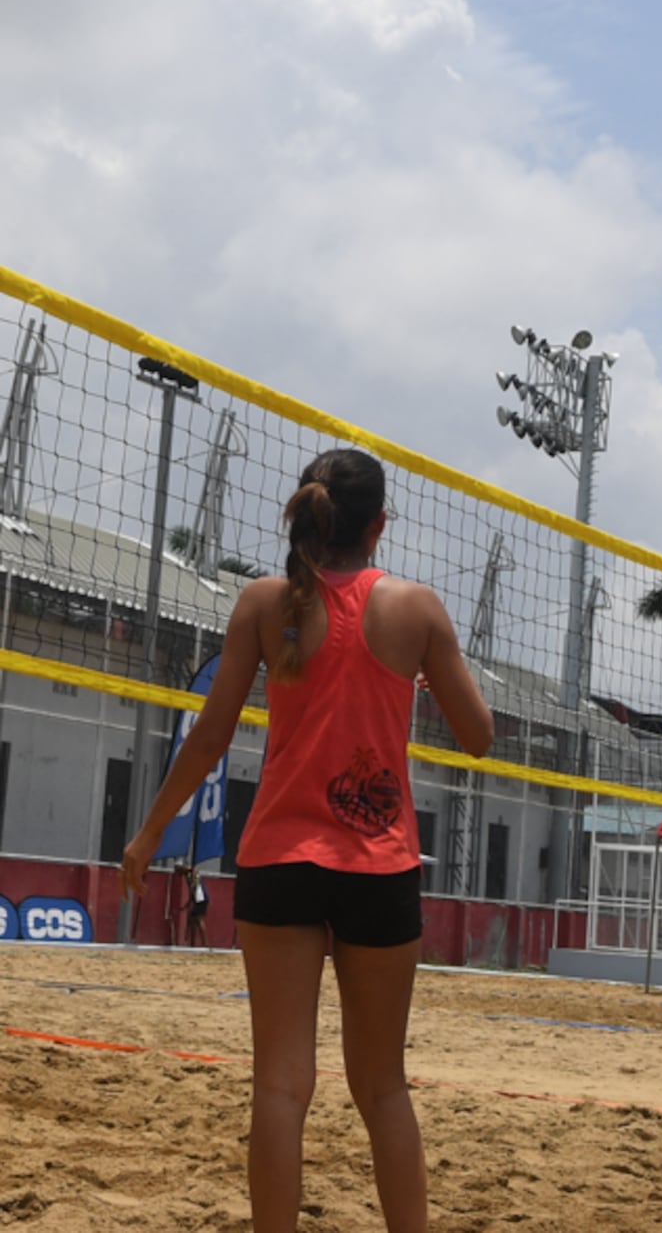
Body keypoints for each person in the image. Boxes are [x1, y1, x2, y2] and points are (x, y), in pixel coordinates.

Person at [121, 448, 494, 1233]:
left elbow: (208, 736)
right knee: (383, 1089)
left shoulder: (264, 602)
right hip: (378, 862)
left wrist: (150, 832)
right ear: (379, 525)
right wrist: (423, 672)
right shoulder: (416, 609)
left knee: (282, 1086)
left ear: (306, 516)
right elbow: (479, 737)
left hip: (280, 859)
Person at [186, 865, 210, 948]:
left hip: (201, 898)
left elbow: (194, 887)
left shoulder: (192, 874)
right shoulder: (189, 876)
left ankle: (205, 943)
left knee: (199, 919)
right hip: (199, 899)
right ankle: (192, 943)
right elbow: (192, 891)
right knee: (192, 919)